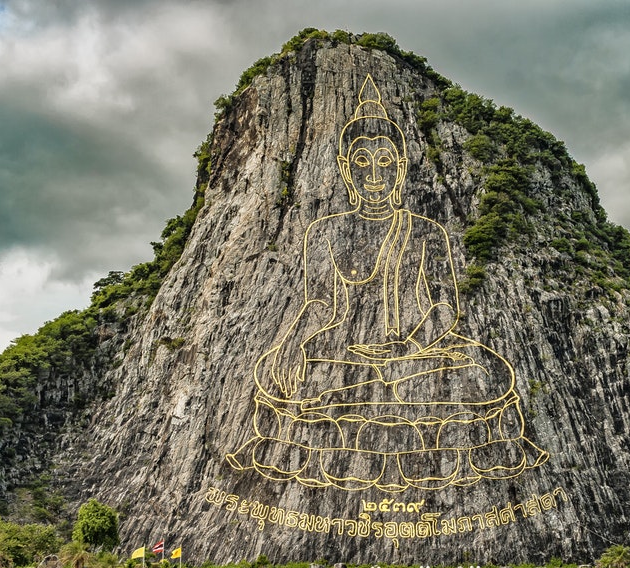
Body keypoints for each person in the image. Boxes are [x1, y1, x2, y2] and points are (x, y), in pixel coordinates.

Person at [227, 75, 547, 491]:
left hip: (417, 356)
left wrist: (409, 347)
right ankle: (372, 415)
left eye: (385, 162)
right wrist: (292, 341)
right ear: (345, 168)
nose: (374, 175)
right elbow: (321, 304)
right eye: (361, 162)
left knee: (488, 370)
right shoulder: (325, 230)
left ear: (400, 168)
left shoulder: (425, 230)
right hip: (348, 355)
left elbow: (445, 307)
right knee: (285, 373)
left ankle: (369, 416)